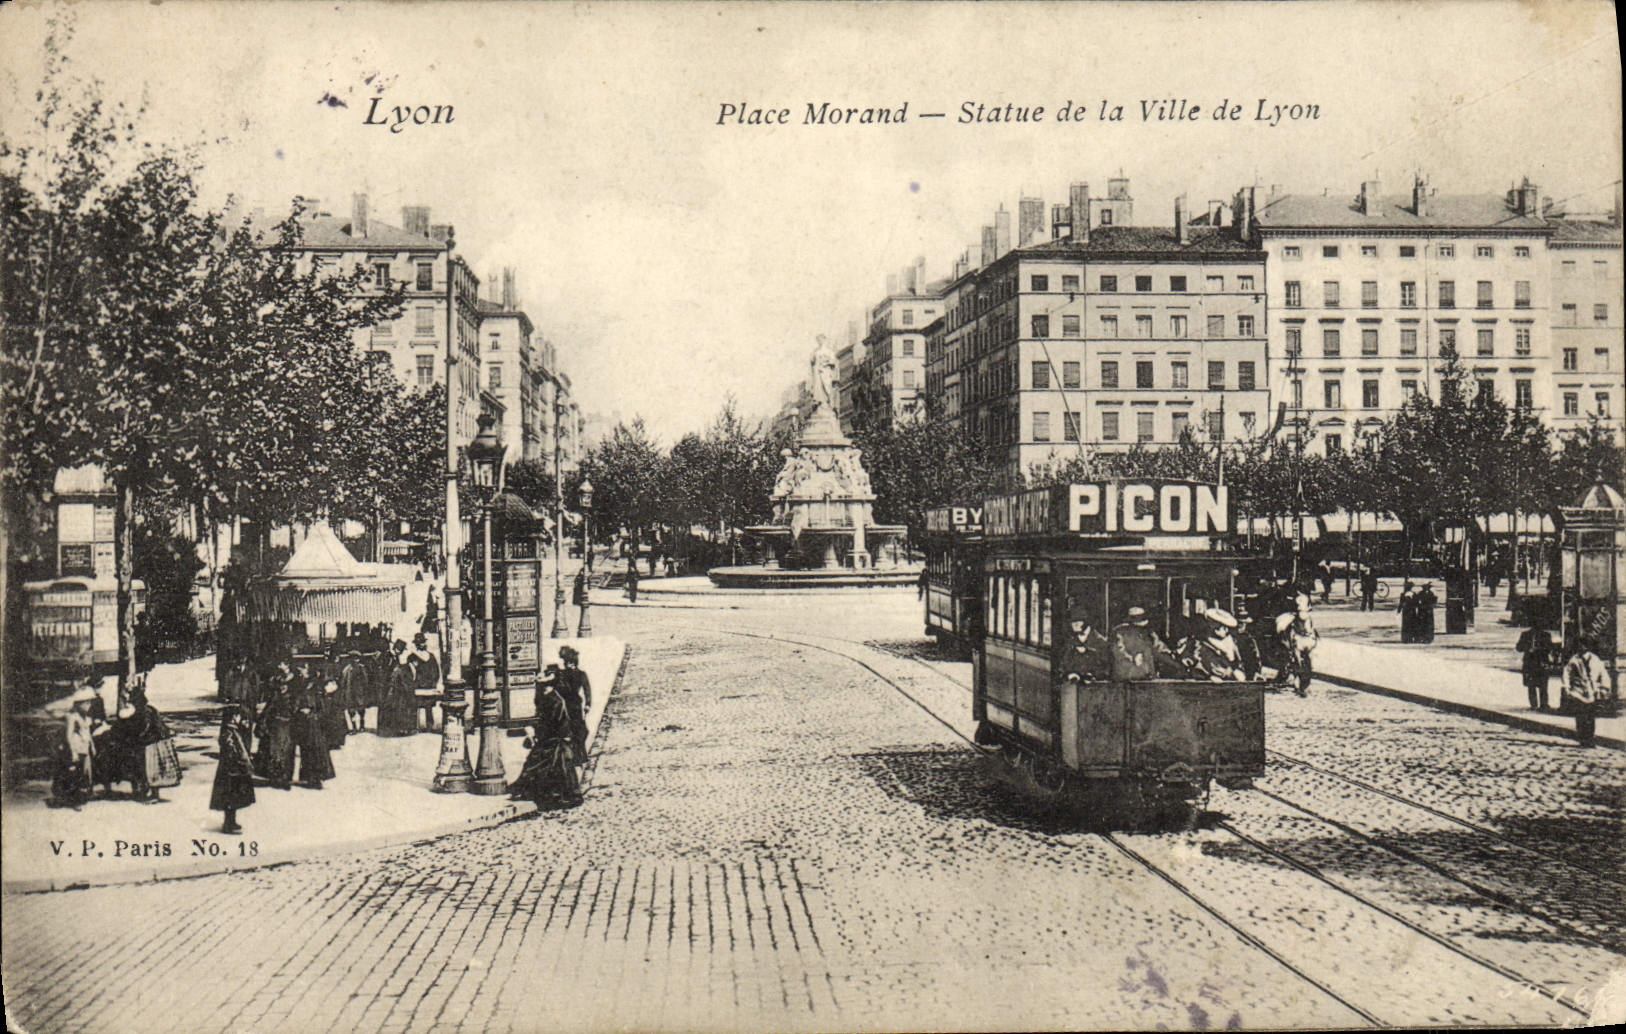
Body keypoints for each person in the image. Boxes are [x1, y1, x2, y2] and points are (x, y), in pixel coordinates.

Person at [508, 672, 583, 808]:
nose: (541, 689)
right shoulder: (548, 699)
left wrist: (535, 732)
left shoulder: (556, 701)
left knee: (551, 765)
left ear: (549, 686)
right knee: (537, 762)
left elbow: (552, 723)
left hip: (555, 739)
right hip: (549, 738)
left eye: (544, 686)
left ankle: (554, 795)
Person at [53, 687, 108, 808]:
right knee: (74, 773)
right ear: (78, 703)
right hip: (76, 747)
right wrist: (73, 752)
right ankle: (73, 799)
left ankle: (82, 794)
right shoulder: (72, 716)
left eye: (90, 702)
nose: (88, 705)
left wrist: (92, 746)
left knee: (85, 773)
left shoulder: (87, 717)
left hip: (85, 747)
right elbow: (68, 735)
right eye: (86, 702)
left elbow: (87, 732)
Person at [210, 703, 256, 834]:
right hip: (231, 766)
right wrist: (236, 757)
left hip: (234, 765)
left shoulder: (234, 730)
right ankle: (228, 823)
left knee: (235, 794)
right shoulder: (229, 732)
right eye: (237, 715)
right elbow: (229, 745)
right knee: (230, 794)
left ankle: (231, 821)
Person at [290, 660, 335, 789]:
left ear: (308, 670)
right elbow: (296, 701)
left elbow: (324, 706)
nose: (300, 671)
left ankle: (317, 778)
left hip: (314, 723)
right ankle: (309, 777)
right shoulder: (300, 684)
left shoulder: (316, 686)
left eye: (302, 669)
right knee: (305, 749)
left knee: (316, 750)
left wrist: (311, 712)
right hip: (303, 722)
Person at [542, 644, 593, 757]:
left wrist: (588, 704)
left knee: (578, 730)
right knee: (566, 730)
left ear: (574, 662)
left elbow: (587, 690)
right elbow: (553, 683)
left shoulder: (581, 674)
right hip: (564, 704)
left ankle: (579, 754)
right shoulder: (562, 674)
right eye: (567, 662)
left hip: (575, 704)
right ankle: (568, 755)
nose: (568, 665)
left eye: (570, 662)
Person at [1561, 640, 1612, 747]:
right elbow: (1567, 673)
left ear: (1588, 646)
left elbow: (1603, 674)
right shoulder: (1574, 660)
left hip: (1591, 692)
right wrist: (1567, 687)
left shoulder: (1595, 659)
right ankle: (1582, 738)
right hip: (1578, 692)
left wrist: (1604, 687)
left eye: (1583, 645)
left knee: (1590, 717)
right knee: (1580, 717)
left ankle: (1590, 738)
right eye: (1579, 645)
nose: (1581, 647)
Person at [255, 661, 297, 789]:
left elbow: (295, 705)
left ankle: (284, 778)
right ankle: (277, 777)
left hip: (287, 723)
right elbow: (269, 706)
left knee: (286, 751)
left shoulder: (293, 691)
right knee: (276, 751)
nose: (282, 687)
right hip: (277, 723)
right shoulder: (276, 694)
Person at [1177, 609, 1248, 682]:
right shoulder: (1199, 641)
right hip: (1206, 679)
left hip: (1229, 678)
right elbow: (1190, 662)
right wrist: (1208, 676)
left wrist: (1233, 670)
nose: (1223, 630)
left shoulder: (1231, 642)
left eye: (1225, 627)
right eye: (1218, 626)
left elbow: (1238, 664)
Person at [1110, 606, 1179, 681]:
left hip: (1146, 677)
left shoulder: (1148, 634)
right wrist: (1132, 658)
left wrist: (1174, 661)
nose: (1139, 629)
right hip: (1125, 677)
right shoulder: (1120, 634)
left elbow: (1159, 650)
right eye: (1135, 626)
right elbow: (1119, 652)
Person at [376, 640, 419, 737]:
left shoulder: (395, 657)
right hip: (385, 687)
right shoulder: (387, 656)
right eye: (401, 650)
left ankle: (391, 730)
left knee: (392, 708)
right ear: (396, 649)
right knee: (385, 707)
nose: (401, 652)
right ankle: (384, 731)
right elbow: (383, 672)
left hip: (391, 686)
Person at [1515, 625, 1557, 711]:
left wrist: (1539, 649)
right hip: (1529, 663)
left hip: (1541, 662)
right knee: (1531, 685)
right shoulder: (1525, 635)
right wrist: (1528, 649)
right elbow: (1518, 648)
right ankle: (1533, 704)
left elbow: (1549, 648)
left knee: (1543, 685)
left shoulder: (1546, 635)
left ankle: (1543, 704)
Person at [1287, 598, 1320, 696]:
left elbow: (1311, 630)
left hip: (1306, 641)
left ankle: (1304, 683)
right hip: (1300, 641)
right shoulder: (1295, 622)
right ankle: (1300, 684)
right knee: (1298, 662)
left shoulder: (1307, 619)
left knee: (1306, 662)